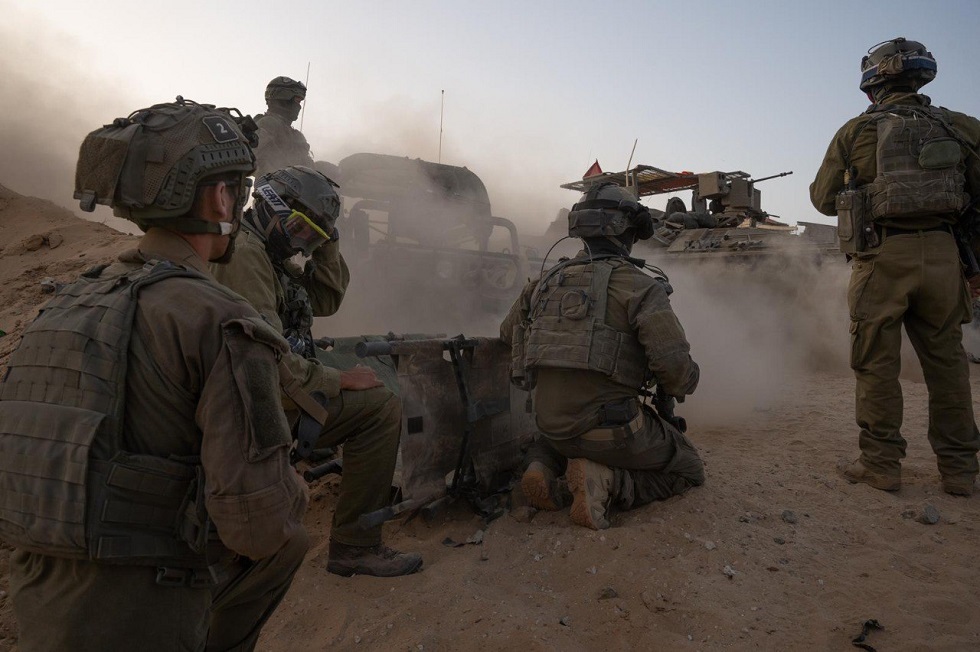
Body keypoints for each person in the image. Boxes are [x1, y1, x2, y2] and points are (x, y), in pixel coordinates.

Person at [0, 98, 309, 651]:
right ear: (219, 198)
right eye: (238, 191)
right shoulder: (220, 319)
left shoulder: (66, 302)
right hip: (144, 609)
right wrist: (292, 489)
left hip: (39, 597)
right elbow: (259, 530)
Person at [210, 165, 423, 576]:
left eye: (312, 238)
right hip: (251, 403)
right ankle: (355, 547)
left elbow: (324, 299)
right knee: (381, 409)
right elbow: (264, 362)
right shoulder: (247, 258)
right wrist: (336, 379)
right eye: (300, 231)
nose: (301, 244)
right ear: (269, 205)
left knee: (361, 382)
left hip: (265, 387)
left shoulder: (265, 250)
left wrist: (329, 239)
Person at [810, 37, 980, 496]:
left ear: (873, 86)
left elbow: (823, 199)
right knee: (948, 364)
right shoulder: (962, 127)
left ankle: (881, 464)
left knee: (876, 364)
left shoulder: (855, 131)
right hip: (944, 255)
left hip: (882, 256)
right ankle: (960, 471)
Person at [500, 182, 705, 530]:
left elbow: (507, 334)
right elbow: (677, 375)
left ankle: (541, 466)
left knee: (556, 436)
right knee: (689, 468)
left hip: (550, 424)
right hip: (610, 434)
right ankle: (608, 482)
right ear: (627, 231)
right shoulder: (642, 287)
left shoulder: (543, 283)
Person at [253, 76, 316, 179]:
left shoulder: (295, 134)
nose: (299, 107)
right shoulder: (268, 123)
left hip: (298, 186)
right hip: (273, 186)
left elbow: (308, 167)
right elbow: (251, 156)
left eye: (300, 102)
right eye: (297, 101)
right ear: (283, 99)